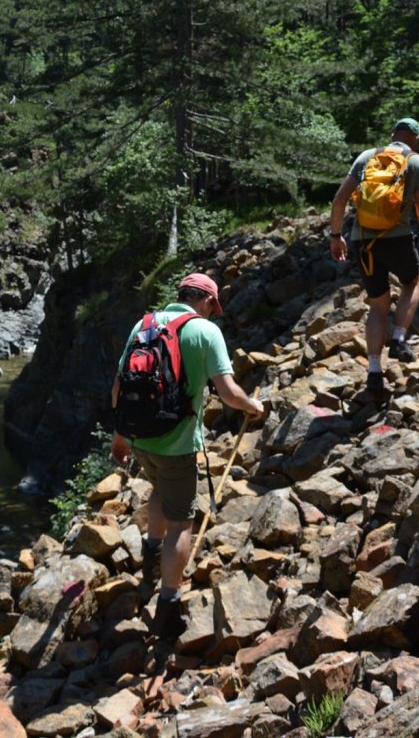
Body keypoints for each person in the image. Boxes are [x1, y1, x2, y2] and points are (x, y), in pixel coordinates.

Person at [109, 272, 265, 639]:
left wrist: (120, 437)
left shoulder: (143, 324)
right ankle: (168, 604)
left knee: (159, 490)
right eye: (214, 307)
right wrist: (252, 406)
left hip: (140, 438)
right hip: (177, 445)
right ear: (208, 301)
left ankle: (150, 553)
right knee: (181, 522)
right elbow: (228, 393)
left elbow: (119, 385)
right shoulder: (205, 332)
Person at [329, 117, 419, 398]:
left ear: (393, 134)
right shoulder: (417, 162)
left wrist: (336, 236)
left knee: (377, 306)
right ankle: (398, 338)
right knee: (411, 283)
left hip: (363, 242)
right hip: (398, 239)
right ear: (416, 139)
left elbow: (339, 200)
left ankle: (373, 371)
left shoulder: (366, 157)